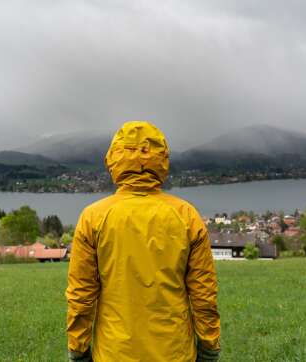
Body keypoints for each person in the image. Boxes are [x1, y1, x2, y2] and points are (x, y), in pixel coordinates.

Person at [66, 121, 221, 361]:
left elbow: (82, 294)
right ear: (162, 159)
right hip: (174, 352)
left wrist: (78, 348)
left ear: (114, 158)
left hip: (114, 352)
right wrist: (209, 347)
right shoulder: (186, 215)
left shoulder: (93, 217)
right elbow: (203, 293)